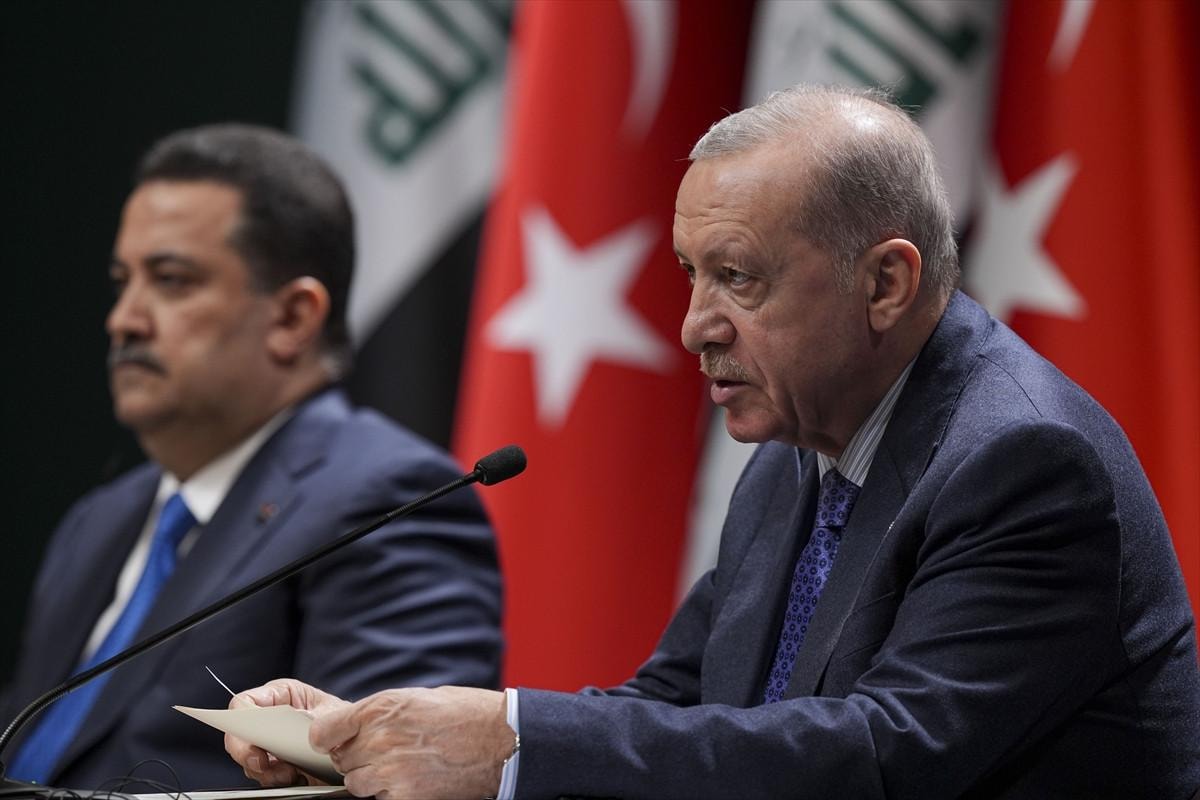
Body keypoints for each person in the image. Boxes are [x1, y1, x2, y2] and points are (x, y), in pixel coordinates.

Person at [225, 86, 1200, 799]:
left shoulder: (1022, 461)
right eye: (691, 272)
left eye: (738, 277)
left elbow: (887, 758)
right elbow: (683, 700)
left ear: (886, 284)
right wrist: (379, 738)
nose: (694, 325)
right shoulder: (796, 447)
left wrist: (511, 742)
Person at [0, 124, 503, 790]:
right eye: (123, 282)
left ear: (293, 317)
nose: (124, 318)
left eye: (171, 280)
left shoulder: (390, 500)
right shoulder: (98, 521)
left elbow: (393, 776)